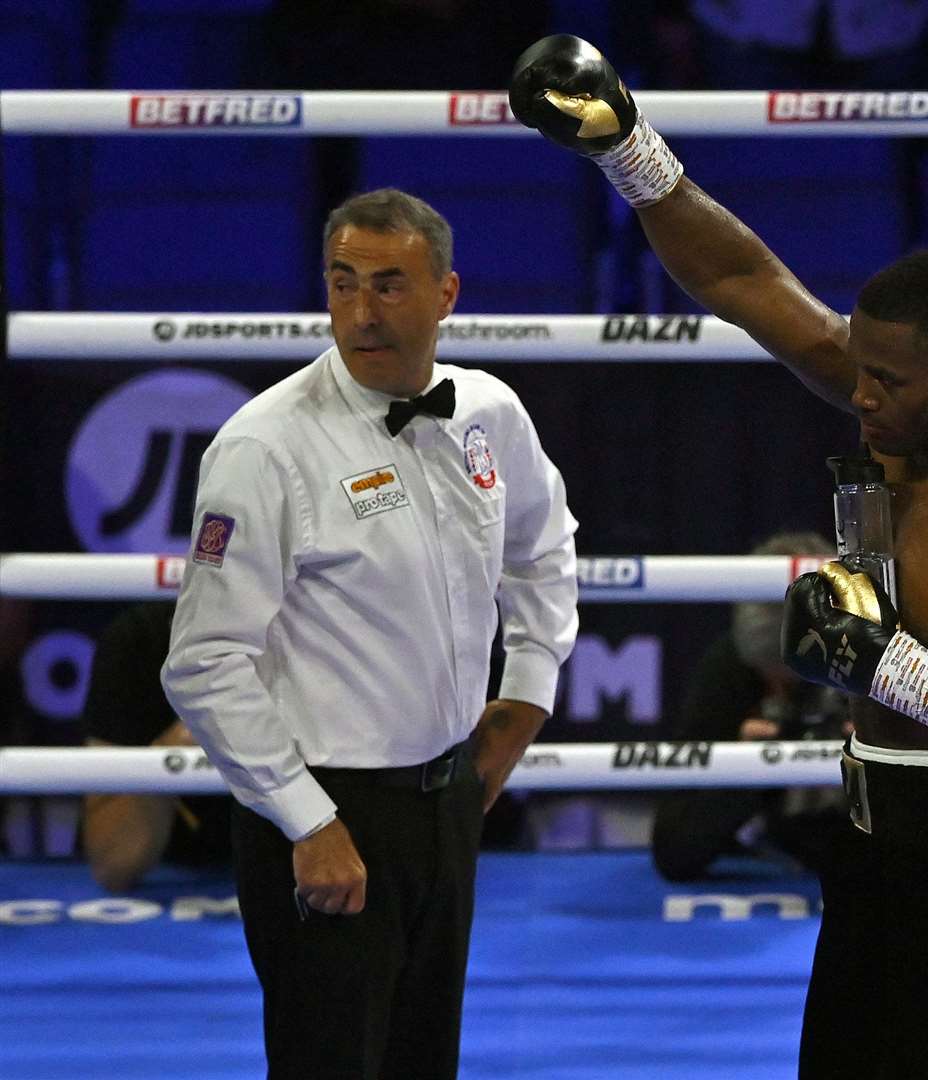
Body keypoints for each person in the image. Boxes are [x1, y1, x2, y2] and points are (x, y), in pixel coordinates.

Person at [513, 36, 928, 1077]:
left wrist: (883, 663)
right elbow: (743, 277)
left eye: (886, 381)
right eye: (859, 373)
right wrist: (629, 148)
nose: (859, 395)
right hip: (877, 832)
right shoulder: (896, 411)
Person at [161, 188, 579, 1079]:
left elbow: (545, 544)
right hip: (324, 807)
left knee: (424, 1058)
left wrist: (528, 694)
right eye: (343, 283)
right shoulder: (265, 447)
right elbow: (204, 661)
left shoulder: (488, 413)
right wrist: (307, 820)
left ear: (447, 294)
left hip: (446, 799)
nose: (361, 311)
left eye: (389, 285)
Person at [650, 531, 849, 882]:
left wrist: (875, 767)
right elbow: (674, 850)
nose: (781, 693)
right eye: (769, 676)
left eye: (793, 680)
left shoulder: (881, 671)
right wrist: (743, 772)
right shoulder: (733, 669)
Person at [81, 602, 232, 892]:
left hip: (293, 873)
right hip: (169, 871)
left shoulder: (320, 641)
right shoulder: (140, 638)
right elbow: (113, 866)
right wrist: (171, 754)